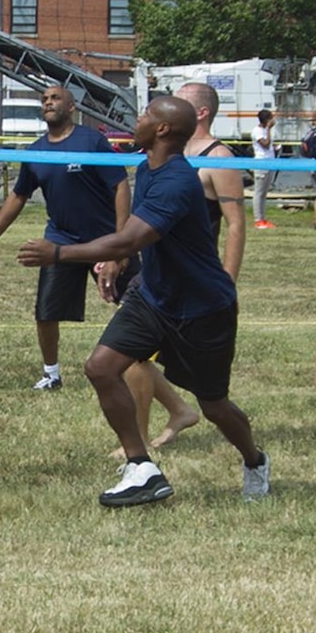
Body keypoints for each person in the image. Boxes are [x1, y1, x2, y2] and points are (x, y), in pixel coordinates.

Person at [15, 94, 271, 508]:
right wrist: (116, 262)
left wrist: (58, 253)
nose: (138, 119)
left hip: (203, 308)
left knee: (214, 405)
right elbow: (132, 233)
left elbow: (134, 237)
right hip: (153, 296)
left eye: (146, 114)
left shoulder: (176, 181)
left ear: (163, 129)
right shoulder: (146, 168)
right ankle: (142, 468)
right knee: (100, 367)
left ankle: (255, 461)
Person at [0, 82, 129, 391]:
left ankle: (142, 366)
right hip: (60, 240)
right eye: (44, 99)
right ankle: (51, 374)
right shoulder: (36, 151)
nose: (48, 102)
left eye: (55, 98)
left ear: (71, 107)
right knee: (45, 312)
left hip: (104, 239)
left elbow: (120, 186)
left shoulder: (92, 141)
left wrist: (121, 243)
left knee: (135, 305)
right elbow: (18, 196)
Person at [127, 80, 248, 451]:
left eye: (178, 101)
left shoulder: (218, 157)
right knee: (128, 355)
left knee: (212, 398)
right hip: (156, 276)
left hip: (196, 288)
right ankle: (145, 439)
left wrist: (228, 279)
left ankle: (192, 417)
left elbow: (236, 223)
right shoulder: (157, 156)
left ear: (200, 113)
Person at [251, 107, 277, 229]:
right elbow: (265, 145)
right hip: (261, 163)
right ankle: (258, 219)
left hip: (269, 162)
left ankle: (263, 218)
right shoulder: (257, 131)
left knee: (264, 192)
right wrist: (268, 129)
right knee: (259, 191)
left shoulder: (265, 131)